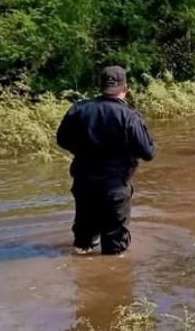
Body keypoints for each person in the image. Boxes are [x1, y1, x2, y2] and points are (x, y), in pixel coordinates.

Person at [56, 66, 155, 256]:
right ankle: (110, 279)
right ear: (125, 87)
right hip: (115, 186)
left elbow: (61, 139)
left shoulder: (79, 110)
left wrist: (80, 150)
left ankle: (82, 275)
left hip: (84, 184)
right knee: (115, 248)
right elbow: (148, 152)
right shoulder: (130, 116)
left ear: (100, 86)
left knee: (83, 241)